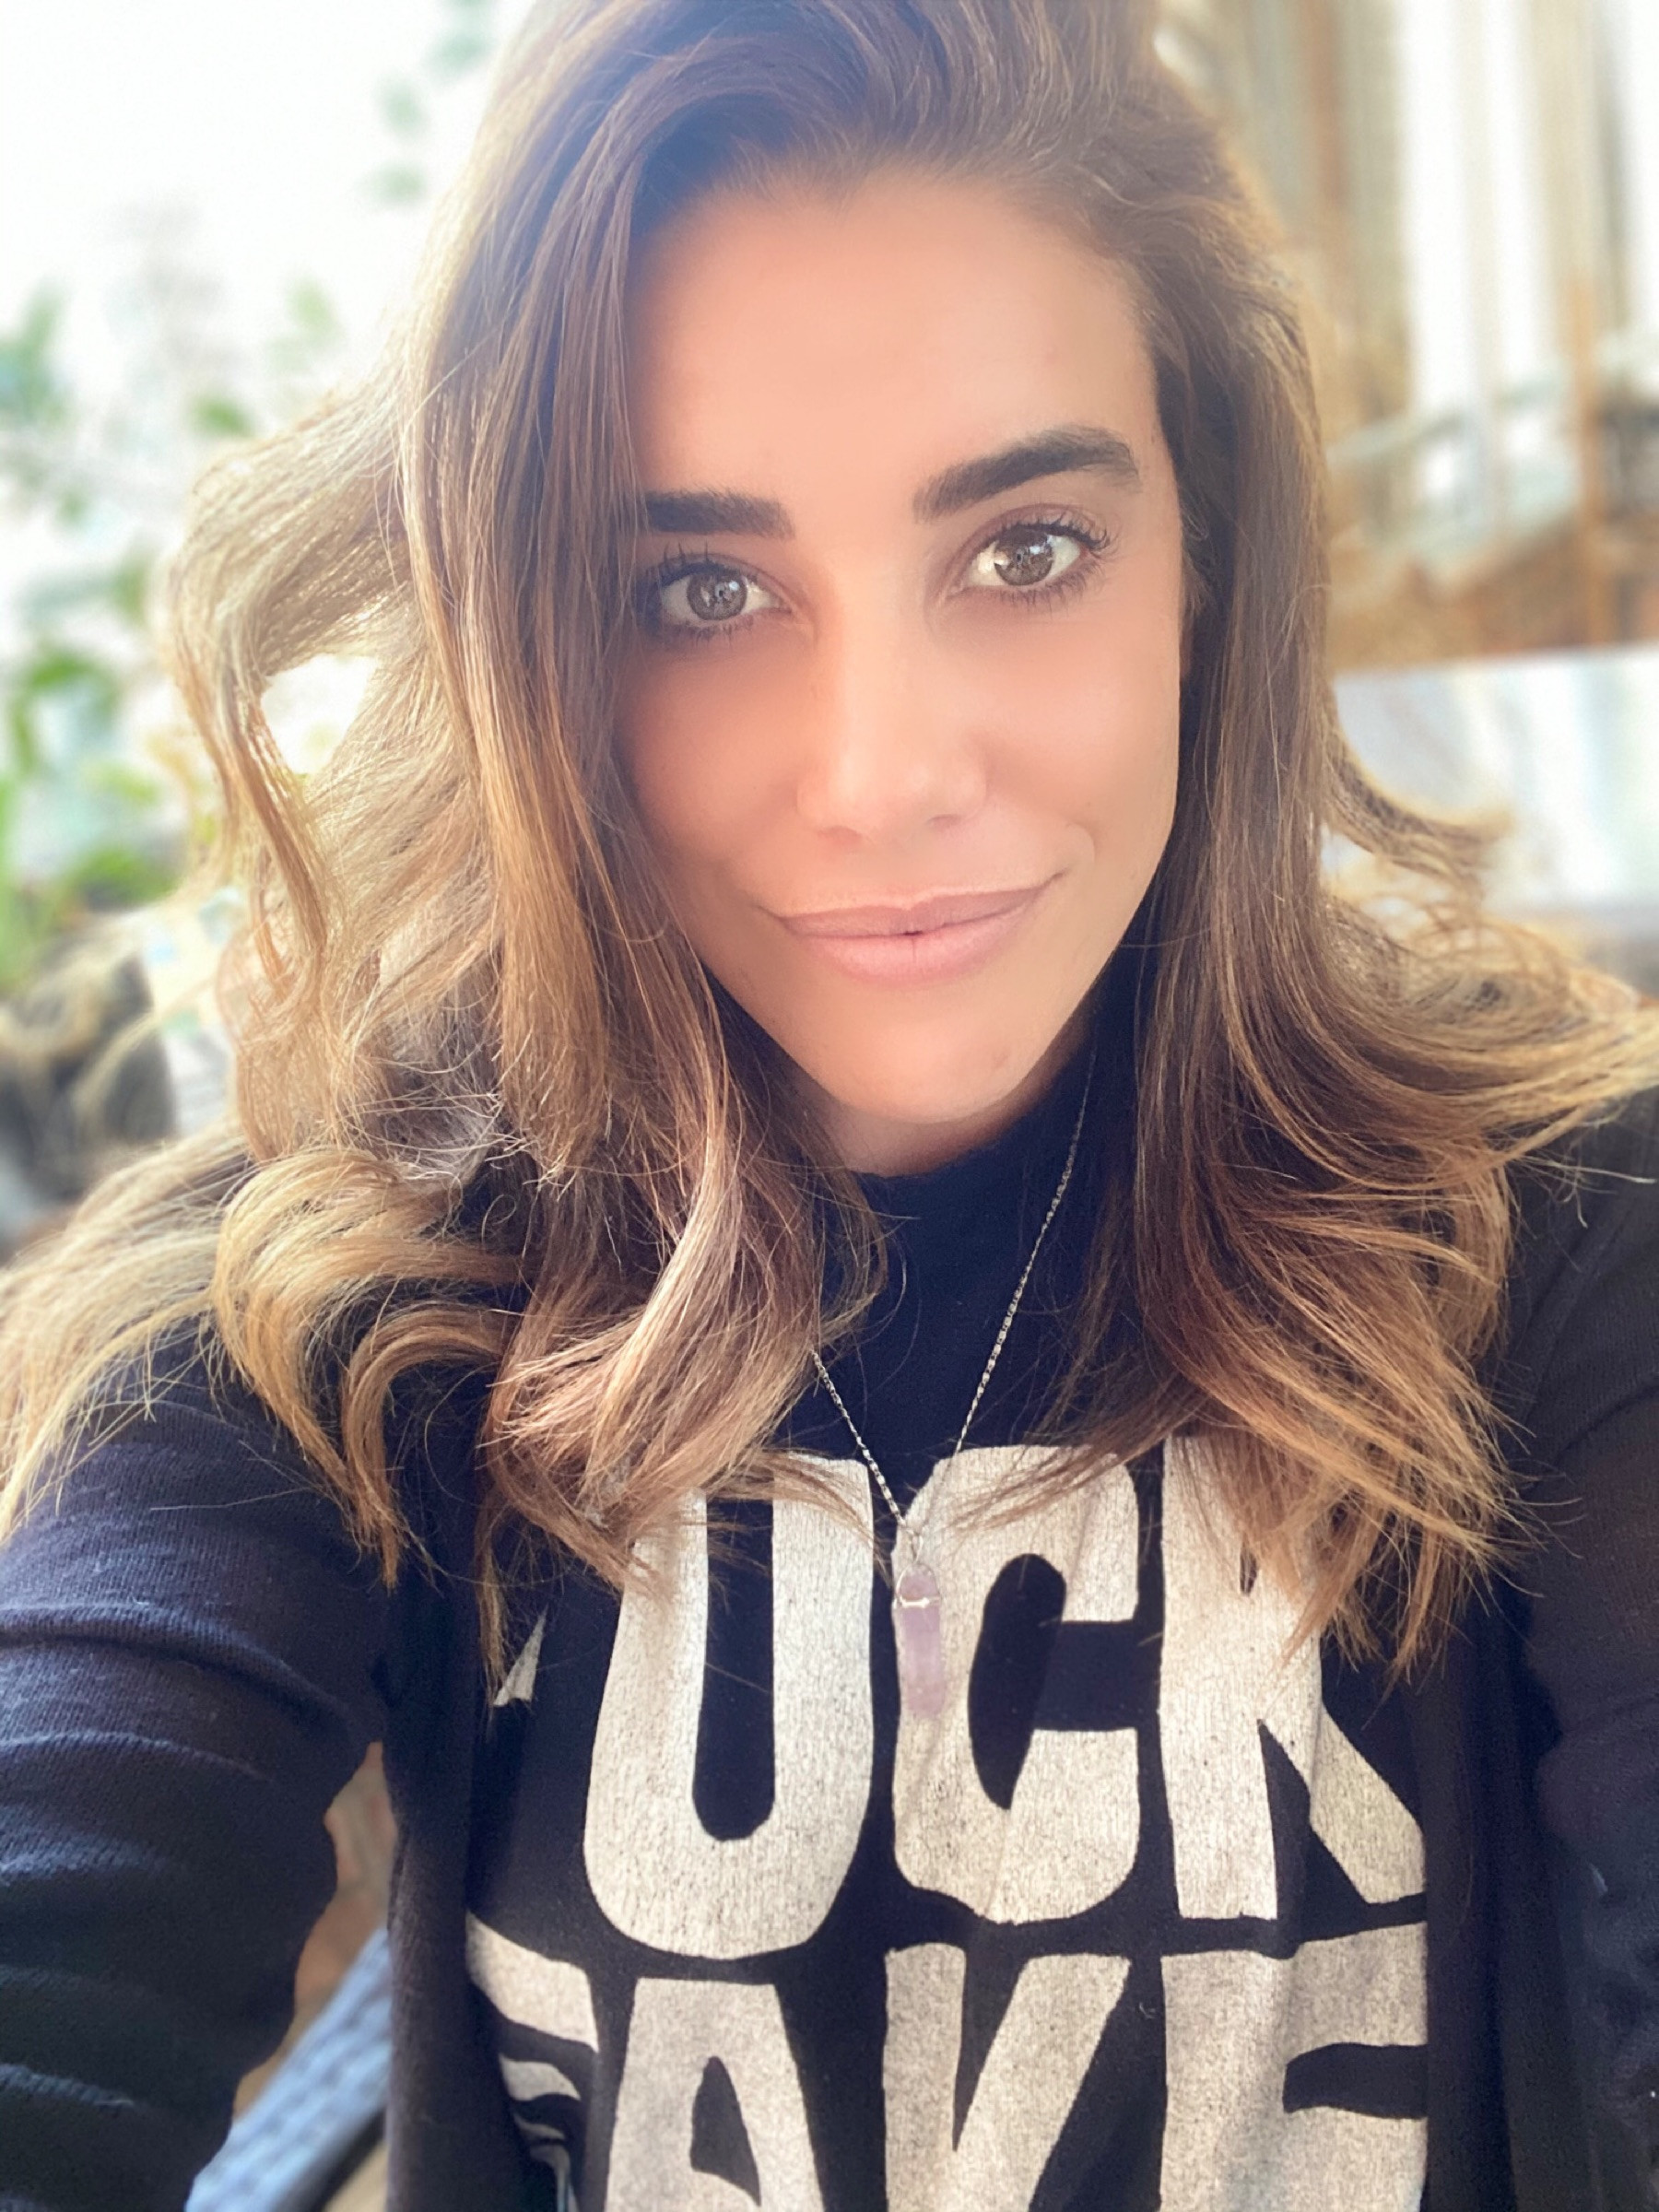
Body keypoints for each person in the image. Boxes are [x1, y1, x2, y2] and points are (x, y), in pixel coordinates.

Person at [2, 3, 1657, 2207]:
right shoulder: (325, 1313)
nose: (885, 775)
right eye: (700, 591)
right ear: (534, 649)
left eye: (1028, 549)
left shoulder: (1557, 1233)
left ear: (1206, 565)